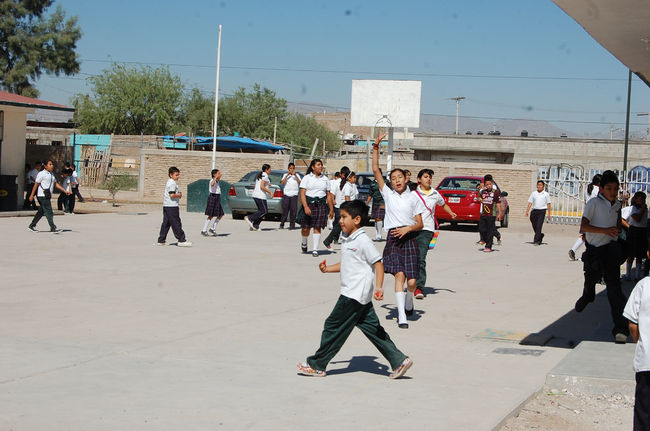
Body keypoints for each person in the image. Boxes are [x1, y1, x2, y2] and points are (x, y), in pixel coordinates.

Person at [296, 200, 413, 379]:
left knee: (333, 326)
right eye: (340, 217)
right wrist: (328, 269)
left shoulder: (363, 240)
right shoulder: (348, 238)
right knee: (373, 330)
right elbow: (346, 264)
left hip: (353, 294)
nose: (340, 221)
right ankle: (399, 360)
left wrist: (380, 287)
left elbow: (378, 264)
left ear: (357, 219)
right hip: (360, 297)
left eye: (344, 217)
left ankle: (317, 365)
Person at [372, 133, 425, 328]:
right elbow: (376, 170)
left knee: (411, 282)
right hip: (394, 238)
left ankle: (409, 298)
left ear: (405, 178)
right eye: (393, 178)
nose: (396, 181)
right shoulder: (388, 194)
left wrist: (407, 228)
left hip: (410, 237)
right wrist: (376, 147)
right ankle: (401, 315)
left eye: (399, 177)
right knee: (399, 275)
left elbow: (420, 223)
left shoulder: (414, 198)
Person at [573, 170, 628, 343]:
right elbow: (584, 226)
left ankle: (620, 328)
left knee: (614, 290)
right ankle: (588, 295)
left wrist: (617, 230)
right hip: (594, 250)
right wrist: (604, 231)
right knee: (591, 279)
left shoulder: (617, 205)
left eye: (615, 189)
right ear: (602, 189)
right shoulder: (593, 203)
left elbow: (617, 221)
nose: (613, 192)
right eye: (609, 188)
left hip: (610, 250)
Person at [413, 168, 457, 299]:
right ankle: (411, 282)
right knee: (411, 258)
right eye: (426, 177)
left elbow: (443, 204)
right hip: (413, 229)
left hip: (427, 230)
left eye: (430, 177)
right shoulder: (413, 194)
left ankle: (419, 287)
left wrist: (451, 213)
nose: (428, 179)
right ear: (419, 179)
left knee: (421, 258)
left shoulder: (435, 194)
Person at [623, 275, 650, 430]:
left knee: (644, 413)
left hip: (647, 362)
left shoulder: (643, 285)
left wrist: (642, 342)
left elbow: (633, 324)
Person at [299, 159, 334, 257]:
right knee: (306, 228)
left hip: (321, 205)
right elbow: (302, 193)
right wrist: (305, 206)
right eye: (318, 165)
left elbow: (328, 195)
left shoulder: (325, 179)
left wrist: (331, 209)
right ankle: (304, 242)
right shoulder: (306, 178)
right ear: (313, 167)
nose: (321, 167)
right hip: (309, 204)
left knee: (317, 227)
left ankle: (315, 249)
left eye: (321, 165)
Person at [27, 160, 70, 233]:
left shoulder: (51, 174)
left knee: (41, 211)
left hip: (47, 195)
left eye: (52, 164)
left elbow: (55, 184)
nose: (52, 165)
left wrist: (65, 191)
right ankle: (53, 227)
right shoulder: (41, 174)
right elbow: (36, 184)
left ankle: (32, 226)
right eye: (50, 164)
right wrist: (31, 195)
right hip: (42, 195)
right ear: (45, 166)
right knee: (49, 211)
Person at [569, 174, 602, 260]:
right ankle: (588, 255)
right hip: (595, 215)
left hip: (587, 214)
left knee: (585, 234)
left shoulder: (588, 189)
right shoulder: (598, 190)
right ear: (599, 182)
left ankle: (573, 249)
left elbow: (585, 201)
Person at [157, 166, 192, 247]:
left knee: (166, 223)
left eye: (178, 175)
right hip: (172, 206)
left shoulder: (169, 182)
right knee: (176, 223)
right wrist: (179, 195)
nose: (178, 177)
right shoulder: (172, 183)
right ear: (171, 175)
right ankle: (181, 240)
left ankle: (161, 240)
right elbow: (172, 195)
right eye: (176, 175)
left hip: (166, 205)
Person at [323, 166, 350, 250]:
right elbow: (332, 193)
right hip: (341, 207)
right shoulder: (337, 182)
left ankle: (333, 240)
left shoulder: (349, 184)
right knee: (340, 225)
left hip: (344, 207)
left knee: (341, 225)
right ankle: (330, 239)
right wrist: (333, 200)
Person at [622, 192, 648, 281]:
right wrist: (642, 210)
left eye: (643, 199)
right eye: (640, 199)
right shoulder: (634, 208)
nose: (642, 201)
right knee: (631, 254)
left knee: (639, 255)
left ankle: (637, 276)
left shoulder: (645, 209)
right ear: (636, 200)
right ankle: (628, 274)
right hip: (634, 231)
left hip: (642, 231)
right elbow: (637, 219)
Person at [477, 175, 502, 252]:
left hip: (491, 214)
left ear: (492, 183)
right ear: (485, 185)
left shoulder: (495, 192)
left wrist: (500, 213)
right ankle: (484, 239)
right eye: (487, 185)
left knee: (490, 230)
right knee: (482, 229)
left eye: (490, 184)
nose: (488, 186)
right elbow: (479, 197)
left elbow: (498, 203)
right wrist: (479, 196)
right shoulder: (483, 191)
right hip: (483, 213)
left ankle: (488, 246)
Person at [245, 164, 272, 231]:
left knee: (261, 211)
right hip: (260, 196)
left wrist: (268, 184)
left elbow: (262, 183)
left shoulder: (261, 174)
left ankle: (255, 225)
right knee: (264, 211)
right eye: (269, 169)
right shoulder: (265, 175)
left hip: (256, 195)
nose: (270, 171)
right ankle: (250, 218)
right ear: (266, 170)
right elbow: (262, 186)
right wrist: (270, 192)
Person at [525, 180, 551, 246]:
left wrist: (549, 214)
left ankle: (536, 241)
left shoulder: (546, 194)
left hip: (542, 211)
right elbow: (530, 202)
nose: (539, 186)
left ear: (543, 186)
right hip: (534, 211)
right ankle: (540, 235)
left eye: (541, 185)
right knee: (534, 224)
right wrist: (527, 211)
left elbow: (548, 204)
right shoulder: (534, 193)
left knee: (539, 226)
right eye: (538, 185)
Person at [201, 169, 224, 236]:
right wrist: (215, 178)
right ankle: (204, 230)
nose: (220, 174)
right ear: (214, 175)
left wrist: (217, 178)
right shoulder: (212, 180)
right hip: (213, 197)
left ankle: (213, 228)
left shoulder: (217, 181)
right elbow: (211, 184)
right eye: (218, 173)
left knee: (220, 214)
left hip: (217, 198)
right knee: (211, 215)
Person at [279, 163, 301, 229]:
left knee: (293, 210)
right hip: (286, 195)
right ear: (288, 169)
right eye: (290, 168)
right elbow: (282, 182)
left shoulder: (297, 175)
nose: (292, 170)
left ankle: (292, 225)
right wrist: (287, 175)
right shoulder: (285, 175)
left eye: (293, 168)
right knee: (285, 210)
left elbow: (300, 182)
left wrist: (296, 176)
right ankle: (282, 223)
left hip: (294, 195)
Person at [366, 170, 386, 241]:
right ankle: (377, 233)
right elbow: (370, 194)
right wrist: (366, 203)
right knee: (375, 219)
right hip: (375, 202)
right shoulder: (372, 183)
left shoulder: (385, 182)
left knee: (379, 217)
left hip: (382, 202)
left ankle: (379, 235)